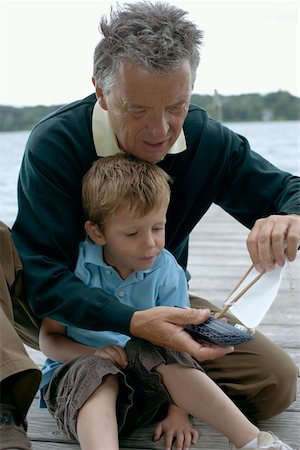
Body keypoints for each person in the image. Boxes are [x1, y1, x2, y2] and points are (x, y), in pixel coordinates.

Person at [1, 1, 299, 448]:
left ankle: (137, 386)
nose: (160, 129)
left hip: (154, 289)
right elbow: (44, 279)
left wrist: (290, 216)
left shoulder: (206, 139)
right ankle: (7, 412)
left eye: (176, 105)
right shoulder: (55, 142)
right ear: (102, 93)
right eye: (137, 108)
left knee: (273, 383)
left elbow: (288, 189)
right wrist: (133, 322)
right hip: (56, 308)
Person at [39, 154, 293, 450]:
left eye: (157, 228)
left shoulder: (166, 268)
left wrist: (179, 413)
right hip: (80, 391)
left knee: (161, 349)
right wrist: (96, 352)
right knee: (96, 371)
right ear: (97, 231)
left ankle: (253, 441)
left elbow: (179, 347)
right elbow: (49, 339)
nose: (150, 244)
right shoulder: (76, 269)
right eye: (132, 233)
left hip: (148, 393)